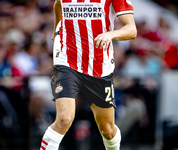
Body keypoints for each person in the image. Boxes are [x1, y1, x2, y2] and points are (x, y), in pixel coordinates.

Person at [40, 0, 137, 149]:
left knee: (107, 129)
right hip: (67, 61)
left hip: (99, 66)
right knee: (64, 118)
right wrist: (56, 30)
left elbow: (131, 29)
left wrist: (111, 34)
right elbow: (58, 5)